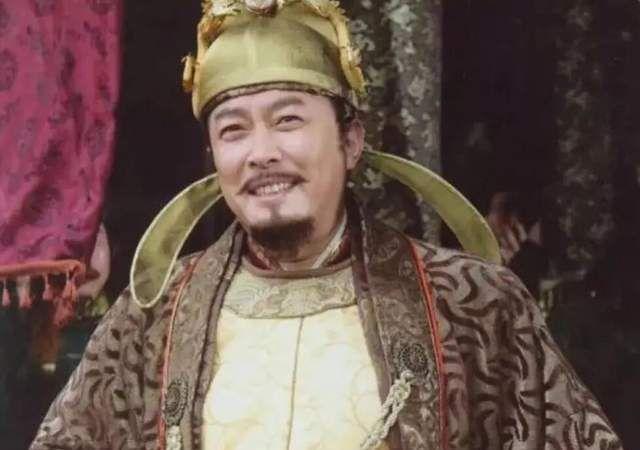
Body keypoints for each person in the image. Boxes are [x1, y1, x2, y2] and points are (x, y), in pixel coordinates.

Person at [31, 1, 621, 449]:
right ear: (213, 158)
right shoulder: (150, 319)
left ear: (351, 141)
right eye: (234, 130)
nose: (261, 153)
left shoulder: (475, 306)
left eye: (288, 120)